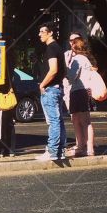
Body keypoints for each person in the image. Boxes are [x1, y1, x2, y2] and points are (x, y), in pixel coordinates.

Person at [36, 23, 66, 163]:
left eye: (43, 31)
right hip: (57, 88)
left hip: (51, 89)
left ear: (50, 33)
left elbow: (53, 70)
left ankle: (52, 150)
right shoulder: (58, 48)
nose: (40, 34)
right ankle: (60, 150)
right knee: (58, 120)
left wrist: (42, 84)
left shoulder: (51, 48)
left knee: (53, 121)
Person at [64, 36, 96, 158]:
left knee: (80, 121)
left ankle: (86, 148)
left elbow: (72, 77)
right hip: (82, 91)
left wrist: (66, 70)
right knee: (81, 120)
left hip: (78, 91)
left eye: (73, 44)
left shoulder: (78, 59)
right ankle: (85, 147)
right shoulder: (86, 59)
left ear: (75, 47)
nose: (71, 46)